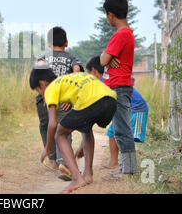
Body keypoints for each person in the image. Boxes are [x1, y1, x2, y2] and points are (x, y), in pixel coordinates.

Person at [29, 66, 117, 194]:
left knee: (60, 133)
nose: (41, 94)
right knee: (86, 128)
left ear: (42, 84)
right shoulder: (69, 80)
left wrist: (48, 148)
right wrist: (82, 145)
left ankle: (76, 178)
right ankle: (87, 175)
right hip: (111, 100)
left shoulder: (51, 88)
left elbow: (52, 123)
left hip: (92, 102)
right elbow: (85, 117)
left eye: (38, 90)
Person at [86, 57, 149, 169]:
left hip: (136, 109)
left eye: (89, 73)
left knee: (126, 136)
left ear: (94, 71)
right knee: (112, 133)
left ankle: (127, 166)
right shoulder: (105, 79)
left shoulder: (103, 81)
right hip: (125, 109)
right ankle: (114, 162)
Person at [99, 0, 137, 180]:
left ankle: (127, 169)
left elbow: (103, 60)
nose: (107, 19)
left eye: (107, 15)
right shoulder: (127, 33)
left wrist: (105, 57)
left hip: (119, 87)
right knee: (120, 127)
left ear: (111, 15)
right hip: (120, 86)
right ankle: (124, 167)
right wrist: (107, 58)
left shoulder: (120, 35)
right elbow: (107, 60)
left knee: (122, 128)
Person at [35, 27, 81, 177]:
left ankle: (52, 159)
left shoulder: (42, 58)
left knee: (44, 126)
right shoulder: (72, 58)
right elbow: (77, 71)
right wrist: (71, 96)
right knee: (64, 129)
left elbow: (37, 76)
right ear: (66, 43)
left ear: (49, 43)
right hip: (63, 100)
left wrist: (44, 95)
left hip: (44, 99)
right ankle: (64, 163)